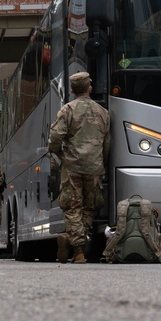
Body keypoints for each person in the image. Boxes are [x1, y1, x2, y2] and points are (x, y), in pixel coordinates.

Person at [48, 71, 110, 264]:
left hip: (72, 166)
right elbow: (107, 143)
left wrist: (59, 154)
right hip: (95, 167)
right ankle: (77, 244)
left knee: (72, 207)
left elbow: (55, 138)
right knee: (90, 207)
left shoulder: (67, 110)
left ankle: (77, 248)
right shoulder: (103, 112)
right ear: (89, 87)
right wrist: (101, 162)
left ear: (73, 90)